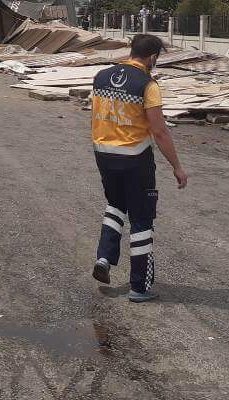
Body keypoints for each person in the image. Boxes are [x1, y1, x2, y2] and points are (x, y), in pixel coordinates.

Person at [90, 33, 187, 303]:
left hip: (104, 155)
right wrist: (177, 166)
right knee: (142, 219)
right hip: (135, 159)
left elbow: (97, 116)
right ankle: (139, 287)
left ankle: (104, 257)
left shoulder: (101, 77)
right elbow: (159, 131)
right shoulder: (148, 85)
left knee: (115, 205)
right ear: (153, 57)